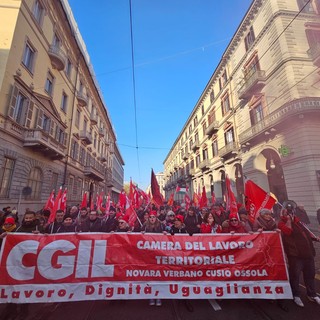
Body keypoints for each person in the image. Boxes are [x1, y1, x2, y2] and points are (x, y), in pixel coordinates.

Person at [278, 203, 320, 307]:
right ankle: (296, 295)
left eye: (291, 212)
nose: (289, 214)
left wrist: (315, 238)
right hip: (295, 256)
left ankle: (312, 294)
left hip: (308, 254)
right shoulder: (281, 223)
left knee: (310, 275)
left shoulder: (298, 221)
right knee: (295, 276)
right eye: (286, 212)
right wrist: (288, 220)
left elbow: (306, 232)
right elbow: (288, 232)